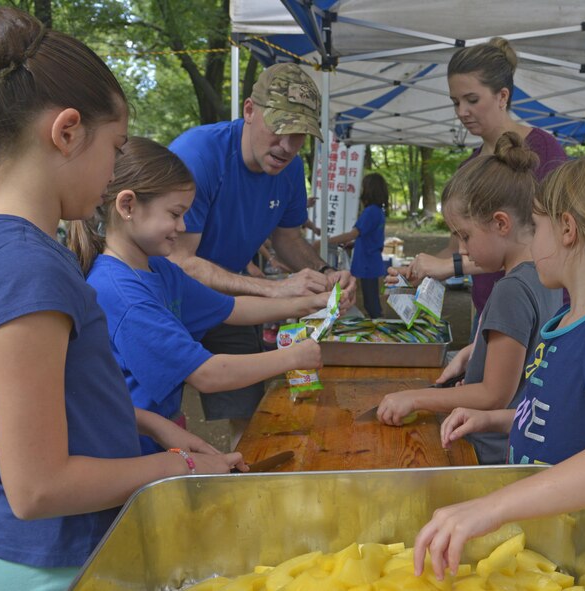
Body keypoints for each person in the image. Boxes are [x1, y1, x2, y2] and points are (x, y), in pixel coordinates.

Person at [0, 8, 245, 590]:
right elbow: (38, 485)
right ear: (66, 132)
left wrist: (151, 425)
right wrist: (177, 468)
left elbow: (41, 406)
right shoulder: (23, 266)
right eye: (115, 148)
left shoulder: (13, 248)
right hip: (56, 562)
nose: (115, 171)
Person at [412, 153, 585, 580]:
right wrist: (492, 418)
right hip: (549, 541)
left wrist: (493, 507)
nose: (532, 240)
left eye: (537, 226)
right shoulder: (562, 322)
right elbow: (558, 416)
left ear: (566, 230)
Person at [69, 137, 327, 455]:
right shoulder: (123, 295)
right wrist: (292, 357)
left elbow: (231, 308)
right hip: (128, 451)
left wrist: (311, 303)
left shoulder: (160, 270)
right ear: (128, 206)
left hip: (160, 438)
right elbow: (206, 375)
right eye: (175, 213)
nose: (184, 225)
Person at [168, 62, 356, 437]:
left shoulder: (288, 172)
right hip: (170, 300)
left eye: (300, 134)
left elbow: (288, 239)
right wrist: (274, 288)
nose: (287, 146)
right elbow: (179, 263)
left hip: (231, 301)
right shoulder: (199, 155)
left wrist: (323, 274)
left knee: (251, 415)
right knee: (161, 417)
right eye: (280, 129)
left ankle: (243, 474)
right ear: (250, 110)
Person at [376, 133, 562, 465]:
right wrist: (477, 352)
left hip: (487, 453)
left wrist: (413, 399)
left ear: (501, 223)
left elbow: (493, 395)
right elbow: (526, 351)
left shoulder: (511, 290)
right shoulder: (545, 275)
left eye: (465, 235)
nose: (462, 251)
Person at [387, 37, 567, 340]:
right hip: (489, 314)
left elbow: (554, 244)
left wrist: (452, 267)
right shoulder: (468, 167)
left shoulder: (545, 151)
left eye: (471, 99)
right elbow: (456, 246)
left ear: (502, 96)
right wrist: (419, 269)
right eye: (455, 102)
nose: (461, 111)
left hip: (540, 317)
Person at [319, 173, 389, 318]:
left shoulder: (370, 212)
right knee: (371, 300)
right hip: (372, 260)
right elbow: (369, 235)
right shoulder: (378, 211)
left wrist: (326, 241)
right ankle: (376, 323)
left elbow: (353, 233)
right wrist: (353, 244)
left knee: (371, 304)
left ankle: (378, 331)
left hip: (367, 262)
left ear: (369, 190)